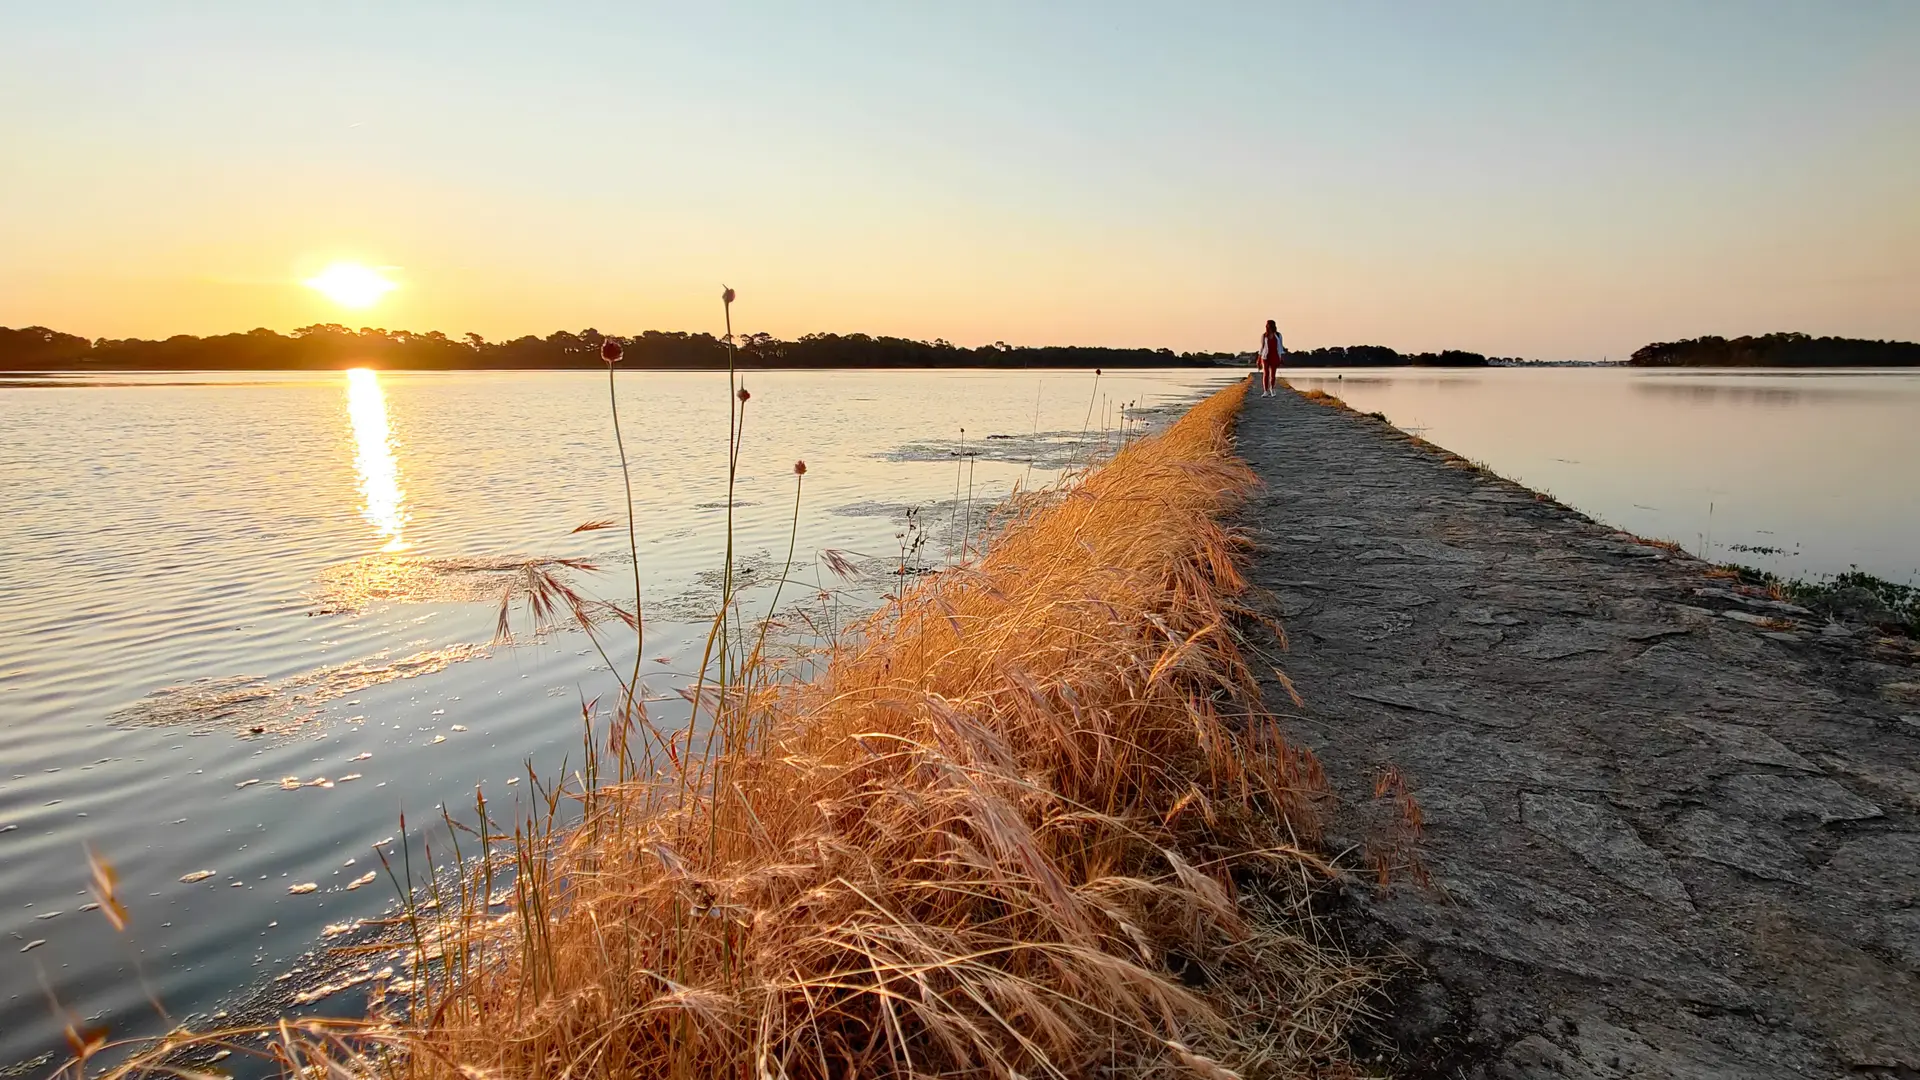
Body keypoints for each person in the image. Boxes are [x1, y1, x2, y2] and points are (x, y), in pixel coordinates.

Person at [1256, 319, 1285, 396]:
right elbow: (1261, 347)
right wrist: (1259, 359)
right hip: (1265, 356)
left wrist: (1281, 357)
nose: (1266, 326)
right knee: (1266, 373)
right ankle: (1265, 391)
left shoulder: (1278, 335)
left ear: (1271, 325)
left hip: (1275, 356)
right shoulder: (1264, 336)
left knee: (1273, 374)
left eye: (1267, 324)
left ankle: (1272, 389)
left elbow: (1280, 347)